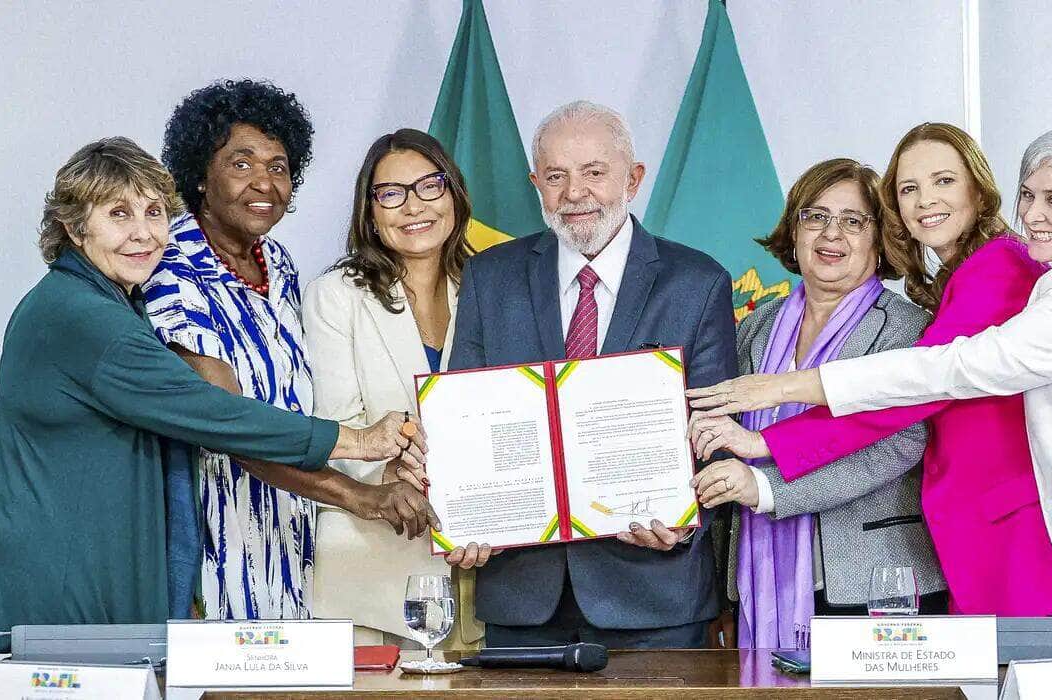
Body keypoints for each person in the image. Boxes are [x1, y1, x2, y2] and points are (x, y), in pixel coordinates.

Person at [688, 123, 1052, 630]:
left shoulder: (998, 267)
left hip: (1037, 548)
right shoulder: (968, 274)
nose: (925, 201)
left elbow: (913, 393)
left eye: (943, 182)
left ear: (978, 190)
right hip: (997, 540)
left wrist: (767, 440)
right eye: (909, 188)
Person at [0, 137, 436, 652]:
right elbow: (215, 415)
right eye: (119, 215)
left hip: (125, 577)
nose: (143, 234)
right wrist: (358, 443)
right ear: (74, 228)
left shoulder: (106, 301)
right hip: (70, 593)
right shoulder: (84, 318)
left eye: (154, 212)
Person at [449, 100, 736, 648]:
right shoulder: (489, 277)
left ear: (633, 179)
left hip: (656, 599)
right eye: (556, 176)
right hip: (521, 596)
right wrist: (465, 517)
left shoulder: (697, 282)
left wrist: (683, 517)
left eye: (593, 172)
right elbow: (466, 426)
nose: (574, 193)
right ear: (536, 183)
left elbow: (719, 434)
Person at [143, 80, 433, 620]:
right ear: (200, 175)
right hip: (219, 552)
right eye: (241, 163)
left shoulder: (279, 264)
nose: (264, 183)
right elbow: (227, 424)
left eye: (279, 167)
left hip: (295, 545)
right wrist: (359, 493)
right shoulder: (171, 271)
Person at [688, 158, 945, 650]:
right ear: (795, 228)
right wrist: (719, 595)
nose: (832, 234)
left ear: (881, 237)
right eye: (816, 216)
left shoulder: (908, 328)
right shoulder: (755, 326)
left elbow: (897, 446)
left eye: (854, 221)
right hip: (754, 583)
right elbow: (723, 448)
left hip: (875, 584)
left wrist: (766, 490)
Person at [302, 129, 489, 650]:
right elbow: (337, 426)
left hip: (478, 570)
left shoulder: (488, 287)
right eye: (391, 193)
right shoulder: (336, 295)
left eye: (430, 186)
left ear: (454, 194)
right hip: (372, 573)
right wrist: (387, 470)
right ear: (370, 210)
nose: (413, 206)